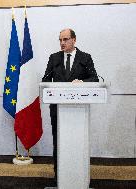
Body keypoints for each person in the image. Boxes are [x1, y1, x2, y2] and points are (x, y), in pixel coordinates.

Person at [42, 28, 99, 181]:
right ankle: (59, 175)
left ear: (74, 39)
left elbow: (94, 78)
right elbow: (46, 80)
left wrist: (82, 82)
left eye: (65, 39)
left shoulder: (85, 58)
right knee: (58, 141)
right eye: (60, 40)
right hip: (58, 108)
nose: (62, 43)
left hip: (78, 109)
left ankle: (79, 175)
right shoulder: (54, 58)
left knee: (77, 142)